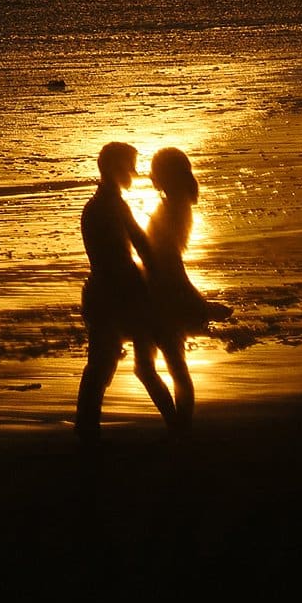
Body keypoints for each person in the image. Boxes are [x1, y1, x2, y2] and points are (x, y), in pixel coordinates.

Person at [76, 140, 180, 437]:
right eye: (129, 167)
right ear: (113, 168)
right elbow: (141, 248)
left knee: (103, 365)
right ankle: (175, 424)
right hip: (121, 294)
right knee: (122, 366)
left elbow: (137, 248)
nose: (134, 173)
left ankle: (87, 427)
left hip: (106, 293)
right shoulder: (110, 207)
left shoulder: (101, 206)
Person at [141, 146, 231, 428]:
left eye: (155, 171)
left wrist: (197, 300)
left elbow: (170, 261)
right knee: (161, 366)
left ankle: (179, 429)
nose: (151, 176)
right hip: (158, 291)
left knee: (167, 366)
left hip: (162, 295)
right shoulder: (175, 206)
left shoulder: (175, 210)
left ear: (166, 175)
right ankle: (178, 427)